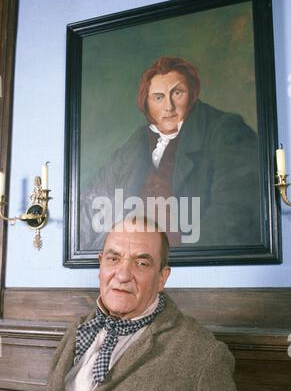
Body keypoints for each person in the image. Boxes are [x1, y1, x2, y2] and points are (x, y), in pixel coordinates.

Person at [35, 217, 250, 391]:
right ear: (101, 265)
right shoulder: (77, 331)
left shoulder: (202, 353)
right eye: (113, 259)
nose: (123, 274)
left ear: (162, 278)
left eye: (142, 263)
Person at [80, 56, 260, 250]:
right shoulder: (138, 140)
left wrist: (183, 260)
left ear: (192, 94)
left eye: (177, 93)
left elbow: (233, 214)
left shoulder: (225, 130)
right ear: (146, 102)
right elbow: (91, 202)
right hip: (136, 256)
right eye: (158, 97)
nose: (168, 107)